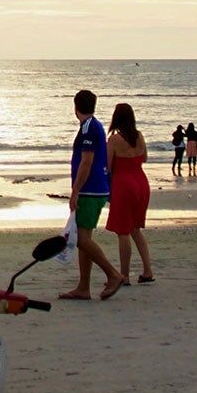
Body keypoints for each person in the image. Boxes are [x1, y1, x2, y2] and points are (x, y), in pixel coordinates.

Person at [60, 89, 123, 301]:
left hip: (90, 189)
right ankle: (83, 286)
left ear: (75, 107)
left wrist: (75, 190)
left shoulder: (88, 127)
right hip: (96, 187)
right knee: (84, 237)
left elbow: (87, 162)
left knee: (81, 239)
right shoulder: (94, 125)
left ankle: (113, 274)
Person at [106, 103, 154, 285]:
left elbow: (108, 166)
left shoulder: (114, 140)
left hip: (123, 184)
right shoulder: (139, 136)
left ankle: (124, 275)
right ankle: (147, 270)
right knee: (135, 229)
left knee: (123, 231)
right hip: (141, 182)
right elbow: (145, 158)